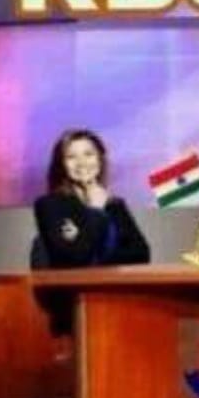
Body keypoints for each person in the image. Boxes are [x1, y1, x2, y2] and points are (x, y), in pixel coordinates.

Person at [32, 129, 150, 336]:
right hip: (74, 310)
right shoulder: (50, 205)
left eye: (88, 154)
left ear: (100, 160)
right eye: (71, 157)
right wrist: (95, 211)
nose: (81, 163)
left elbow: (140, 254)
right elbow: (75, 258)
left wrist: (100, 262)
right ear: (61, 165)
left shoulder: (114, 204)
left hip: (117, 302)